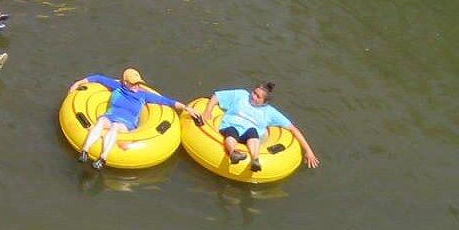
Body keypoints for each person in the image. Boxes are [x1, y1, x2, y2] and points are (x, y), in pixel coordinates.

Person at [69, 69, 200, 168]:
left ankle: (103, 158)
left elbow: (166, 101)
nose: (137, 86)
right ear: (125, 82)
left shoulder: (143, 96)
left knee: (115, 127)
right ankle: (85, 150)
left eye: (138, 83)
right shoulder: (118, 88)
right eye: (133, 84)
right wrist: (79, 83)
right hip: (110, 116)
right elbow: (98, 78)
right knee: (101, 122)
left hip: (126, 122)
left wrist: (187, 108)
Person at [209, 82, 320, 172]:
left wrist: (308, 151)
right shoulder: (241, 95)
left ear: (264, 102)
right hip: (231, 126)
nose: (253, 96)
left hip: (248, 135)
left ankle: (255, 159)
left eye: (258, 97)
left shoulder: (269, 112)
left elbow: (292, 128)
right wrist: (207, 111)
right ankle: (233, 153)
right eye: (254, 93)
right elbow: (217, 96)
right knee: (231, 131)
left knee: (252, 132)